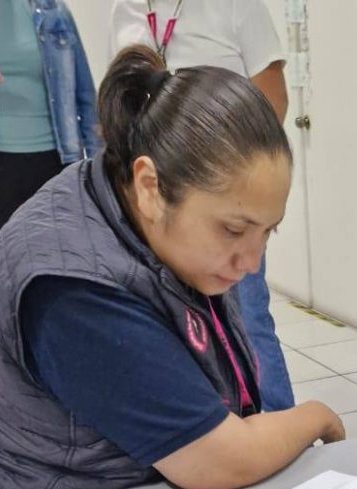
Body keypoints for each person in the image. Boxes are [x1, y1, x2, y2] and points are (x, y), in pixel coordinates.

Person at [0, 45, 343, 489]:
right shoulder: (74, 290)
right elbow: (217, 459)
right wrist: (317, 418)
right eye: (233, 229)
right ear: (150, 186)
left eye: (269, 232)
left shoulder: (126, 205)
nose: (251, 261)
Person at [109, 0, 293, 412]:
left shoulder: (235, 8)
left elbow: (271, 100)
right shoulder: (127, 8)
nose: (251, 255)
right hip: (160, 212)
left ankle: (277, 420)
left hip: (215, 204)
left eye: (269, 231)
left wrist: (229, 194)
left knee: (248, 318)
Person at [0, 0, 99, 240]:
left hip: (59, 163)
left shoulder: (52, 9)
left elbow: (86, 96)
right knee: (12, 263)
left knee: (66, 258)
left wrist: (100, 165)